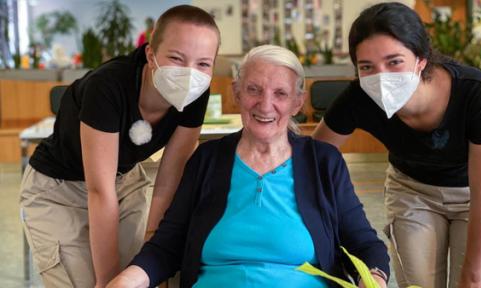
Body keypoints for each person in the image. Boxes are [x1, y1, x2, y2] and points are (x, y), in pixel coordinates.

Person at [107, 45, 390, 288]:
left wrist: (373, 278)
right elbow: (167, 246)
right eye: (254, 89)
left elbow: (365, 245)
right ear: (237, 93)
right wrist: (127, 279)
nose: (265, 105)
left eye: (280, 93)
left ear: (297, 103)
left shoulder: (324, 162)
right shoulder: (208, 159)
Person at [312, 2, 481, 288]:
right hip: (413, 191)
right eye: (367, 67)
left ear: (421, 59)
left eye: (394, 62)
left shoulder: (477, 93)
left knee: (477, 282)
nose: (381, 77)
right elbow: (315, 158)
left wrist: (473, 274)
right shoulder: (359, 98)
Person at [19, 5, 220, 287]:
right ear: (151, 54)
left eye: (203, 63)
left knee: (136, 276)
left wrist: (154, 248)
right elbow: (99, 190)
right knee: (92, 281)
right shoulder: (108, 86)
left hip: (124, 182)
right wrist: (106, 279)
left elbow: (168, 177)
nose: (190, 73)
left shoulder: (195, 93)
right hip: (59, 189)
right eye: (176, 57)